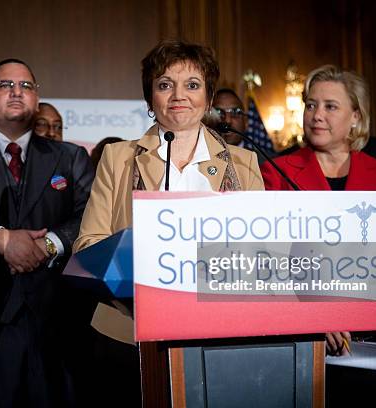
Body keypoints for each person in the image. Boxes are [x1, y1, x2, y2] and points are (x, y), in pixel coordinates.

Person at [73, 39, 264, 407]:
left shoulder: (243, 163)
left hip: (220, 334)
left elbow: (261, 253)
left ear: (208, 97)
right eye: (165, 84)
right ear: (150, 99)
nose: (179, 95)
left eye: (192, 85)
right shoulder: (117, 157)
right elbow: (87, 247)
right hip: (130, 335)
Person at [261, 64, 376, 406]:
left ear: (356, 117)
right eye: (311, 105)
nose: (317, 115)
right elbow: (272, 257)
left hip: (372, 330)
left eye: (331, 106)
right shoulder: (277, 171)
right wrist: (320, 313)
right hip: (303, 332)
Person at [0, 58, 94, 407]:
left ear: (37, 96)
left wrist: (49, 243)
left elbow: (90, 216)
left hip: (59, 318)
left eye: (26, 86)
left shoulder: (71, 157)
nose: (17, 92)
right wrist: (1, 239)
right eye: (5, 85)